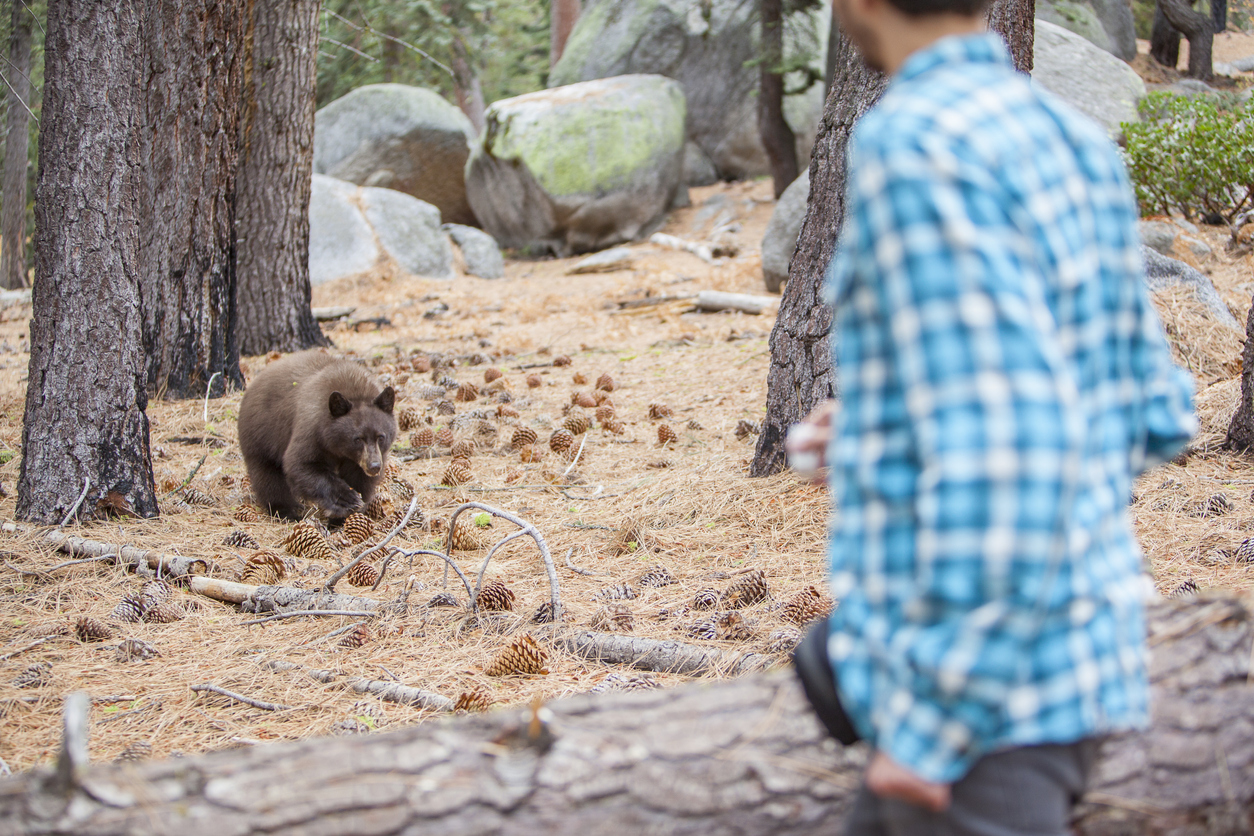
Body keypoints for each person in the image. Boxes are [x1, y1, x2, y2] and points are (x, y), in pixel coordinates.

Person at [784, 0, 1198, 831]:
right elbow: (1153, 409)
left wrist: (934, 729)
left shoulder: (918, 146)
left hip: (980, 717)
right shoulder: (1069, 140)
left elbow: (1017, 454)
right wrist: (886, 434)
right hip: (1067, 673)